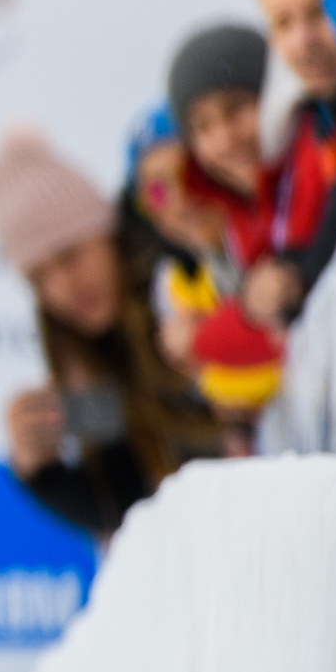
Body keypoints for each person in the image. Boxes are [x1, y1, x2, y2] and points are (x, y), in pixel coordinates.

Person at [0, 125, 221, 537]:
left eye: (68, 255)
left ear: (105, 231)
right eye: (38, 278)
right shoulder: (87, 354)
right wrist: (40, 471)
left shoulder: (184, 273)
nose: (61, 288)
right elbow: (126, 503)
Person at [133, 26, 286, 417]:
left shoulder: (282, 213)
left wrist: (207, 338)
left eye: (187, 175)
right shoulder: (178, 281)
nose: (180, 201)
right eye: (157, 192)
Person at [238, 0, 336, 327]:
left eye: (319, 11)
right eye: (282, 23)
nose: (303, 41)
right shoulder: (313, 120)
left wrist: (300, 277)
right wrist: (286, 272)